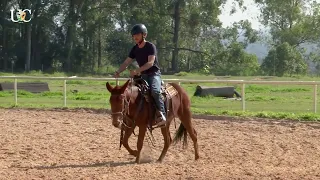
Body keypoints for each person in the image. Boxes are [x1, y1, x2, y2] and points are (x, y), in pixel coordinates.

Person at [113, 24, 167, 128]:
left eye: (137, 34)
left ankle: (162, 116)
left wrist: (137, 70)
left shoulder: (151, 46)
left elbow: (150, 63)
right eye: (133, 35)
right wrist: (118, 71)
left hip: (153, 74)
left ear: (144, 35)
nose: (135, 37)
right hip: (142, 76)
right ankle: (130, 116)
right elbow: (126, 62)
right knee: (130, 92)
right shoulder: (134, 49)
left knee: (155, 91)